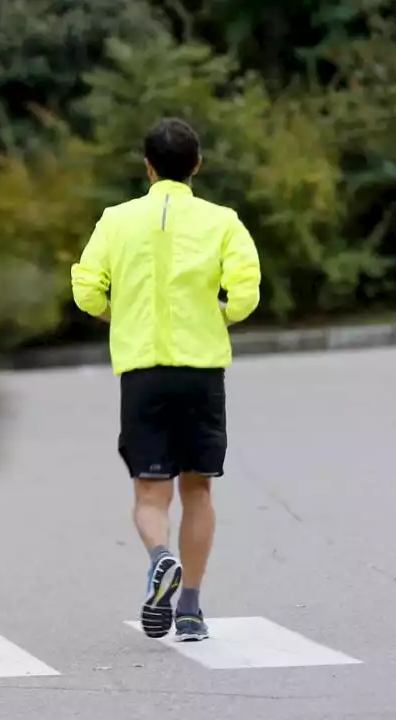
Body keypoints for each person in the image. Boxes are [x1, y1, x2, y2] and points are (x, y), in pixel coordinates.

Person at [70, 117, 261, 642]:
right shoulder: (223, 221)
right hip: (200, 372)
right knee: (198, 491)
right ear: (197, 164)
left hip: (142, 371)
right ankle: (193, 610)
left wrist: (121, 315)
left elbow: (86, 290)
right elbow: (245, 294)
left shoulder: (115, 220)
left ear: (147, 165)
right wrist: (216, 316)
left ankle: (161, 558)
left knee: (150, 496)